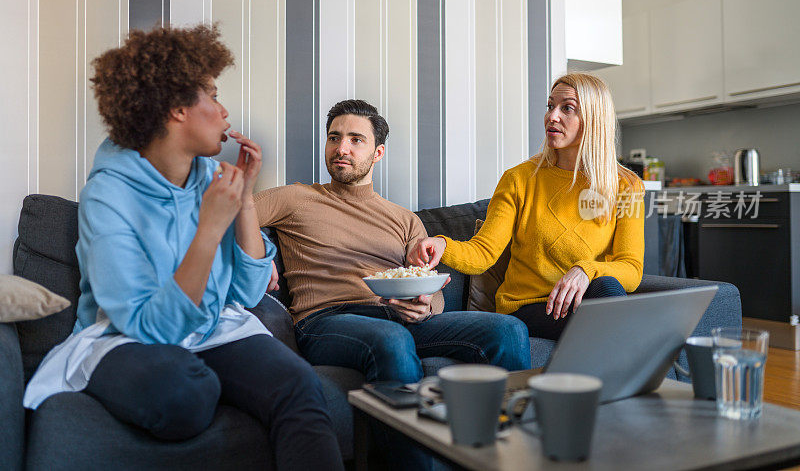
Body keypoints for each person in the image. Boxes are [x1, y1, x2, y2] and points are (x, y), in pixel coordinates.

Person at [23, 24, 343, 471]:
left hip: (211, 329)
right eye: (213, 95)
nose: (225, 110)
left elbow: (249, 295)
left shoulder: (211, 181)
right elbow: (151, 327)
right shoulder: (108, 195)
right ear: (176, 109)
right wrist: (209, 231)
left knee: (300, 386)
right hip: (127, 338)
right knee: (186, 396)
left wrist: (246, 198)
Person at [255, 100, 531, 383]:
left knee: (508, 330)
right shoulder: (296, 198)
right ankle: (408, 428)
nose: (341, 149)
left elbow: (429, 285)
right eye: (334, 138)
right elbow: (226, 211)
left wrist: (425, 308)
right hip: (327, 320)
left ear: (378, 153)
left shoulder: (405, 219)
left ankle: (509, 426)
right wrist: (260, 251)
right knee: (392, 338)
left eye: (356, 140)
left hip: (398, 318)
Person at [410, 73, 645, 340]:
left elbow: (632, 269)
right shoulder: (519, 179)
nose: (552, 116)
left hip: (585, 301)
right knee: (611, 314)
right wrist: (442, 244)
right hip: (528, 307)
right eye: (550, 106)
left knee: (607, 289)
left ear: (593, 119)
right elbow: (484, 252)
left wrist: (585, 270)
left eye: (567, 108)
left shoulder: (627, 186)